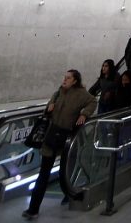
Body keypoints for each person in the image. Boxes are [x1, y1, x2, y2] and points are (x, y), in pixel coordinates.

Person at [23, 69, 96, 220]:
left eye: (68, 78)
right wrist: (50, 105)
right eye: (65, 77)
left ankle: (69, 194)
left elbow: (93, 102)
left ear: (75, 81)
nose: (65, 80)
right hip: (51, 136)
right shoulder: (59, 92)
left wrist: (84, 114)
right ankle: (33, 208)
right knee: (44, 174)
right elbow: (51, 103)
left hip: (66, 137)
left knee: (65, 171)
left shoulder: (82, 94)